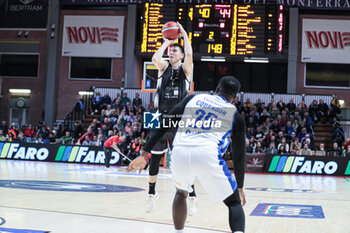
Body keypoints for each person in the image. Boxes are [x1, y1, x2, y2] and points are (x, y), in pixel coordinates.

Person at [128, 76, 246, 233]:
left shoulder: (194, 98)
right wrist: (240, 187)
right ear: (235, 98)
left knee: (181, 193)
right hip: (208, 154)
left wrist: (144, 154)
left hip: (180, 151)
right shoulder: (235, 115)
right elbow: (239, 156)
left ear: (216, 89)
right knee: (234, 203)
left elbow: (166, 122)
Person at [145, 22, 196, 214]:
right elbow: (154, 57)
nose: (172, 52)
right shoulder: (163, 68)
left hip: (179, 121)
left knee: (183, 161)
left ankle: (192, 196)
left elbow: (190, 54)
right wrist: (167, 42)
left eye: (175, 50)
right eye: (171, 50)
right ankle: (151, 195)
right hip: (161, 118)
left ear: (181, 55)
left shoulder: (185, 70)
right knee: (154, 159)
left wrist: (183, 34)